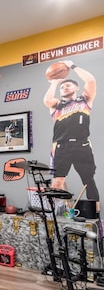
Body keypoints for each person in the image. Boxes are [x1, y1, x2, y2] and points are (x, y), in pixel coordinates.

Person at [43, 60, 99, 207]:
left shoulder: (85, 100)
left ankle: (96, 216)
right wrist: (55, 82)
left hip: (82, 145)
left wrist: (72, 66)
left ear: (76, 88)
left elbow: (91, 80)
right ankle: (54, 214)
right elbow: (47, 100)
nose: (64, 87)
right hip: (61, 147)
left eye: (67, 85)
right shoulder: (57, 105)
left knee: (89, 181)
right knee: (58, 181)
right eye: (62, 86)